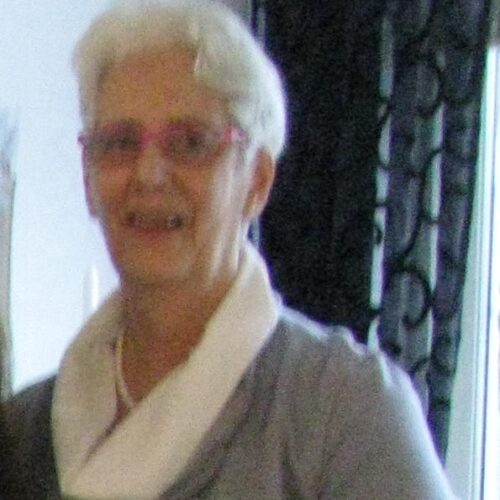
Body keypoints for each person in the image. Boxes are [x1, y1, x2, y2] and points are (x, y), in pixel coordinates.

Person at [3, 1, 458, 498]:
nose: (149, 174)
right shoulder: (24, 433)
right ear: (89, 179)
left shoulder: (343, 410)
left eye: (191, 142)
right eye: (119, 142)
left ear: (257, 181)